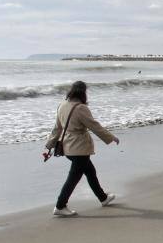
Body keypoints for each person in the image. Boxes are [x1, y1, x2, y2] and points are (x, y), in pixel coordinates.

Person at [44, 81, 120, 216]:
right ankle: (60, 206)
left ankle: (103, 198)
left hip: (67, 147)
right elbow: (94, 125)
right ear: (83, 92)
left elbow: (57, 128)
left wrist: (49, 145)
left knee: (90, 172)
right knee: (73, 178)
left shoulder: (62, 105)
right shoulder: (80, 108)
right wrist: (111, 137)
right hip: (79, 148)